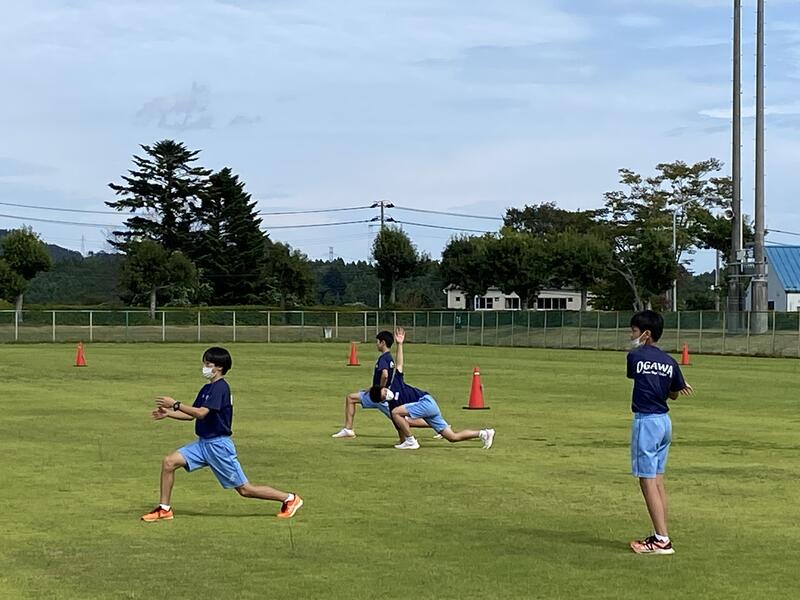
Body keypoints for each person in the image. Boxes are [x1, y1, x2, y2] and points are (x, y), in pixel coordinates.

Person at [141, 347, 303, 522]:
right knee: (169, 462)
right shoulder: (207, 388)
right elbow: (191, 415)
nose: (204, 367)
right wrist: (169, 413)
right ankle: (164, 509)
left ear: (219, 367)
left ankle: (289, 499)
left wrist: (175, 404)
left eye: (207, 364)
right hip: (203, 444)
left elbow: (201, 413)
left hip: (218, 446)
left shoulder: (221, 388)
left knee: (245, 490)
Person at [626, 311, 692, 554]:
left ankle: (661, 540)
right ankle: (661, 534)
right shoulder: (670, 361)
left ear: (646, 333)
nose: (631, 335)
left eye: (634, 331)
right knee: (657, 479)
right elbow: (674, 393)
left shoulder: (635, 356)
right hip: (664, 422)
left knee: (647, 480)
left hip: (646, 421)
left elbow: (638, 376)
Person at [369, 327, 495, 450]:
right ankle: (484, 433)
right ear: (382, 401)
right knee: (452, 437)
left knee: (396, 413)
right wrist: (402, 440)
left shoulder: (395, 383)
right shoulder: (392, 406)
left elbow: (400, 364)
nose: (387, 393)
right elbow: (400, 425)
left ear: (383, 387)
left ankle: (411, 441)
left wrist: (400, 344)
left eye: (384, 391)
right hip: (429, 407)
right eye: (384, 396)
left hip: (426, 402)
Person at [332, 330, 428, 441]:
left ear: (382, 343)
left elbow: (385, 375)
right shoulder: (389, 358)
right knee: (351, 398)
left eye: (377, 342)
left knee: (403, 420)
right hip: (380, 394)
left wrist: (379, 389)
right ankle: (348, 429)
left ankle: (437, 425)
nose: (376, 344)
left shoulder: (383, 358)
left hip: (381, 397)